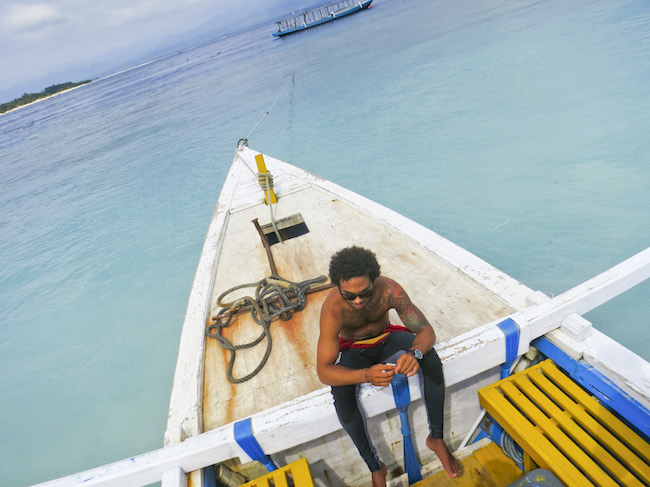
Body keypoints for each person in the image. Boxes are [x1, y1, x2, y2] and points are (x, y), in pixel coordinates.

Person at [317, 246, 461, 487]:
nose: (358, 300)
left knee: (430, 358)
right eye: (349, 295)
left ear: (375, 280)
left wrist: (414, 353)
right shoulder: (332, 308)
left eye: (365, 292)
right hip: (353, 349)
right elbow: (324, 370)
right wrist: (364, 375)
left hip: (387, 338)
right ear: (338, 288)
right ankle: (376, 466)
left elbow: (425, 331)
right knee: (341, 392)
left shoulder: (390, 290)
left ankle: (436, 439)